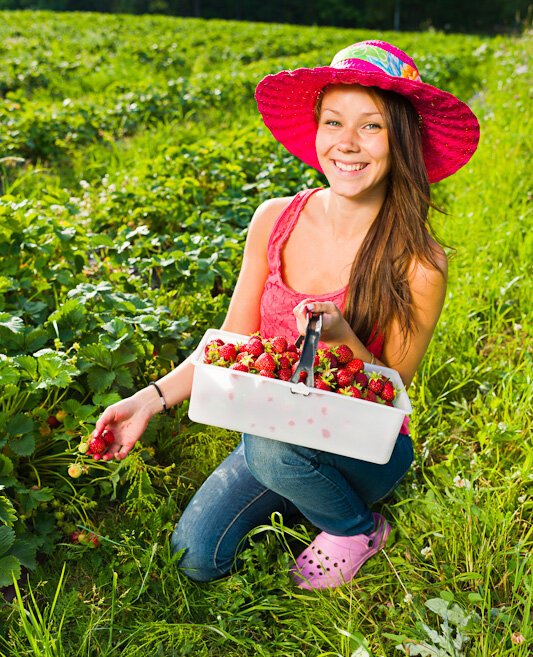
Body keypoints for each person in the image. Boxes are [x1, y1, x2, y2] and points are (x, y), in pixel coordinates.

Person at [92, 40, 479, 590]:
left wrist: (341, 338)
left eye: (371, 126)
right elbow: (233, 340)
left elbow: (391, 395)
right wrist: (148, 401)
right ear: (316, 130)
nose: (347, 144)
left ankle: (354, 526)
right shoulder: (275, 219)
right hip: (276, 426)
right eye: (333, 122)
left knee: (269, 440)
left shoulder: (417, 262)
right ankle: (298, 483)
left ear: (402, 140)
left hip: (363, 446)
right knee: (194, 558)